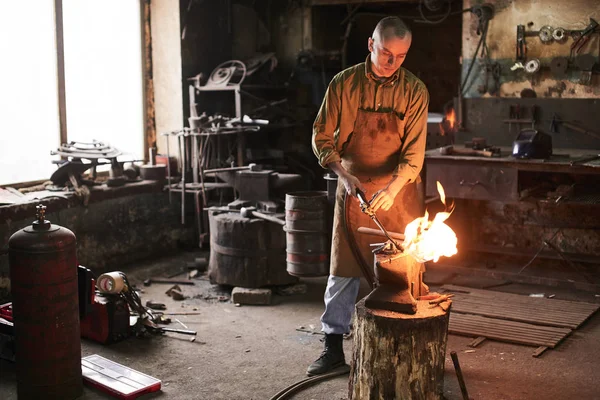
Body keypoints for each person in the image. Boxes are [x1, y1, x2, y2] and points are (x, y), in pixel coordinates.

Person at [309, 16, 429, 376]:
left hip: (400, 189)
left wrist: (392, 189)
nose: (393, 62)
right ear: (370, 45)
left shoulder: (415, 91)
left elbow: (414, 156)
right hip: (353, 185)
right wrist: (344, 176)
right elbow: (321, 136)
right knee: (343, 269)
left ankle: (409, 345)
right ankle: (333, 347)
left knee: (406, 267)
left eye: (402, 56)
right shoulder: (343, 84)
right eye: (387, 53)